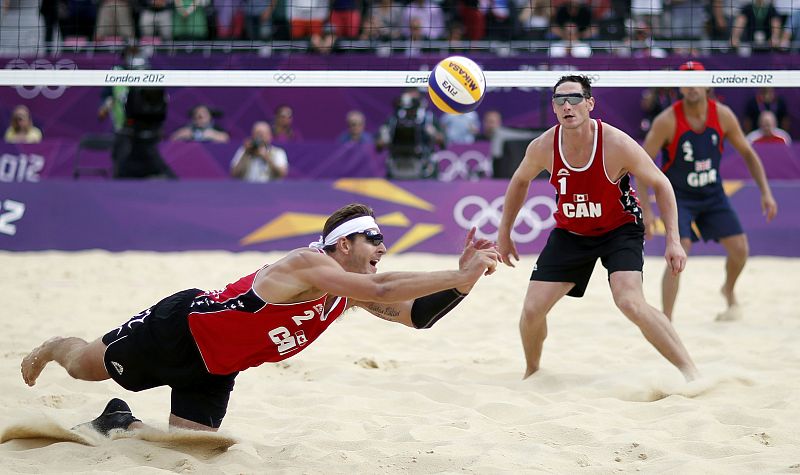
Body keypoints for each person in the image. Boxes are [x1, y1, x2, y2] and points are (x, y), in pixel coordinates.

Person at [21, 203, 500, 435]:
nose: (382, 247)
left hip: (217, 366)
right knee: (86, 365)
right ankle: (53, 345)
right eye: (372, 239)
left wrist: (465, 282)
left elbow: (417, 316)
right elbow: (381, 287)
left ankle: (118, 420)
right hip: (179, 332)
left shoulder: (343, 295)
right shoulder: (305, 264)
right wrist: (456, 268)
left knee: (192, 448)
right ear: (342, 244)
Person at [496, 75, 699, 382]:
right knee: (532, 311)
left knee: (629, 302)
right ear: (553, 107)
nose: (567, 105)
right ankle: (533, 372)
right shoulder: (543, 146)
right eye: (560, 100)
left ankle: (692, 374)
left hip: (620, 228)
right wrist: (504, 234)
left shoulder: (615, 143)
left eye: (575, 98)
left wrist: (674, 240)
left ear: (589, 103)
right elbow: (519, 181)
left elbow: (661, 183)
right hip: (572, 234)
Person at [641, 61, 778, 322]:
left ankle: (728, 289)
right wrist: (646, 210)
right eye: (686, 81)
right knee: (679, 253)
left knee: (740, 249)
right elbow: (642, 167)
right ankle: (667, 320)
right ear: (678, 87)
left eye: (697, 81)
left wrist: (766, 192)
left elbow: (748, 153)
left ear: (708, 84)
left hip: (712, 193)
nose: (692, 86)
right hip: (678, 197)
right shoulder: (666, 120)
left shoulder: (723, 115)